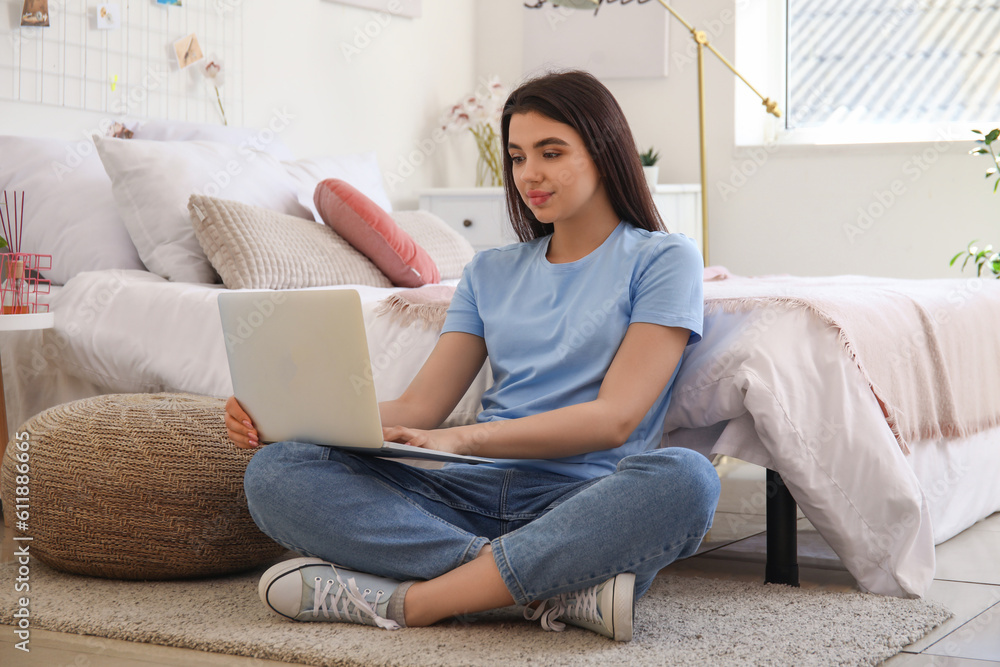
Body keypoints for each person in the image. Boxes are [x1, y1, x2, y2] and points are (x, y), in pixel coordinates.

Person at [226, 69, 720, 642]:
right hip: (468, 492)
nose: (529, 174)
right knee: (278, 472)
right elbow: (421, 406)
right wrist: (285, 416)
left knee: (687, 478)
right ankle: (554, 584)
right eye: (516, 157)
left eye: (551, 152)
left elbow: (615, 420)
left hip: (587, 503)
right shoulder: (489, 271)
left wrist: (463, 439)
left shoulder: (664, 259)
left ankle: (422, 601)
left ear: (605, 153)